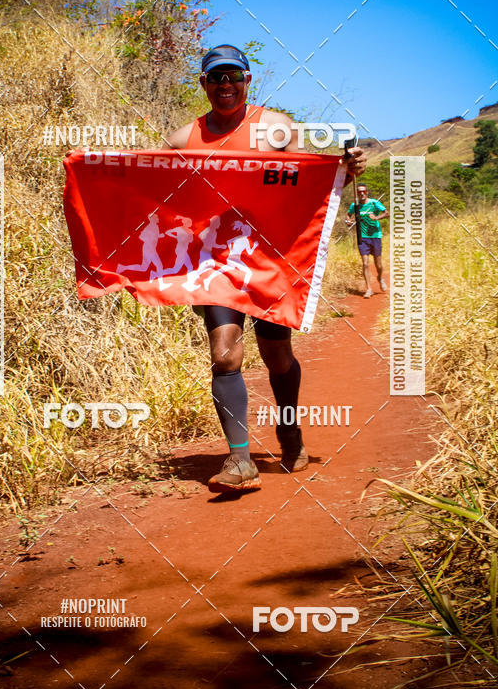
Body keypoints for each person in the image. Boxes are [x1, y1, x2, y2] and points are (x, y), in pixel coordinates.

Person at [166, 44, 367, 493]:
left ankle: (289, 430)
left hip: (273, 257)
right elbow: (157, 190)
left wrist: (342, 172)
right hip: (215, 262)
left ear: (247, 80)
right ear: (203, 84)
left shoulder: (275, 128)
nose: (225, 85)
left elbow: (303, 181)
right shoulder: (183, 140)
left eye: (233, 76)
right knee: (225, 355)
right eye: (215, 78)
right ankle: (239, 461)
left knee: (277, 357)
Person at [345, 184, 388, 298]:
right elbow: (348, 215)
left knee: (378, 264)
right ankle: (369, 289)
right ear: (357, 194)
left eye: (363, 191)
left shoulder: (374, 203)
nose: (362, 194)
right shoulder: (355, 205)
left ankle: (380, 277)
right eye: (359, 192)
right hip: (362, 237)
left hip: (375, 236)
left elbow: (386, 213)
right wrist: (348, 221)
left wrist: (376, 218)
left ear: (367, 192)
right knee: (365, 263)